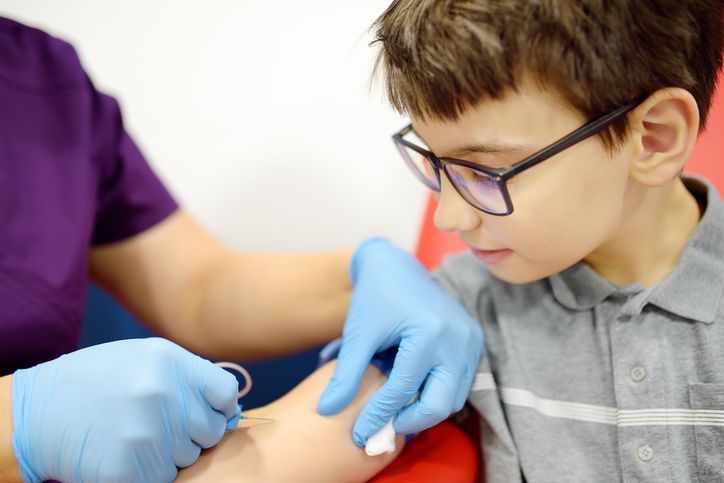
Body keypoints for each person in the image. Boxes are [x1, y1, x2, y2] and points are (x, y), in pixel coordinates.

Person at [0, 16, 484, 483]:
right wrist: (18, 425)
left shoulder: (40, 74)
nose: (451, 215)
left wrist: (359, 278)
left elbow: (195, 286)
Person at [368, 0, 724, 481]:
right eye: (435, 163)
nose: (447, 218)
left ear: (653, 138)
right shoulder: (461, 306)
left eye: (485, 172)